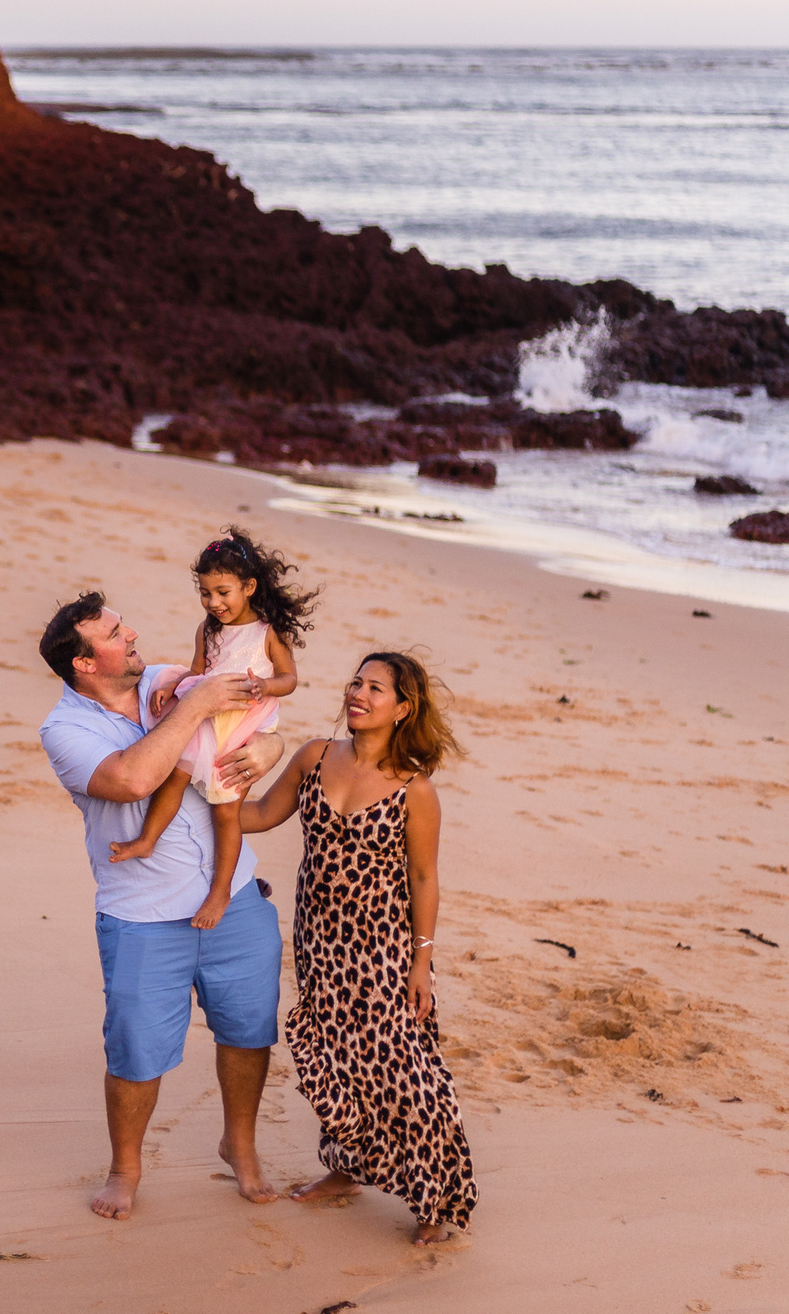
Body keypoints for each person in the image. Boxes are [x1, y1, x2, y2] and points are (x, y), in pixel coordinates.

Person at [39, 590, 291, 1220]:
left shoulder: (164, 680)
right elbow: (132, 778)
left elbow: (259, 707)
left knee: (248, 1030)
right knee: (136, 1050)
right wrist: (197, 704)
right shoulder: (66, 729)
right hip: (143, 916)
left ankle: (240, 1144)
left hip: (235, 896)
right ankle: (125, 1170)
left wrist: (271, 751)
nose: (132, 636)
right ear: (84, 664)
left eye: (125, 625)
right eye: (115, 634)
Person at [236, 650, 476, 1243]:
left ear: (404, 708)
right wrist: (195, 801)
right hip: (320, 943)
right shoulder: (316, 755)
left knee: (406, 1072)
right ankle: (349, 1168)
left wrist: (423, 962)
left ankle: (436, 1200)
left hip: (384, 949)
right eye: (356, 682)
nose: (359, 694)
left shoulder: (414, 789)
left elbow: (424, 878)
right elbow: (264, 813)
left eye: (376, 688)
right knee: (339, 1061)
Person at [108, 530, 313, 934]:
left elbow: (289, 678)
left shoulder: (267, 632)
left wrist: (265, 686)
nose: (214, 603)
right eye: (205, 593)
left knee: (226, 813)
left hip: (243, 722)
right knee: (173, 777)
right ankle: (148, 838)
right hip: (206, 717)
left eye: (223, 592)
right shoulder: (207, 630)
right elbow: (199, 672)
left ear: (249, 587)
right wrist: (174, 684)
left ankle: (220, 890)